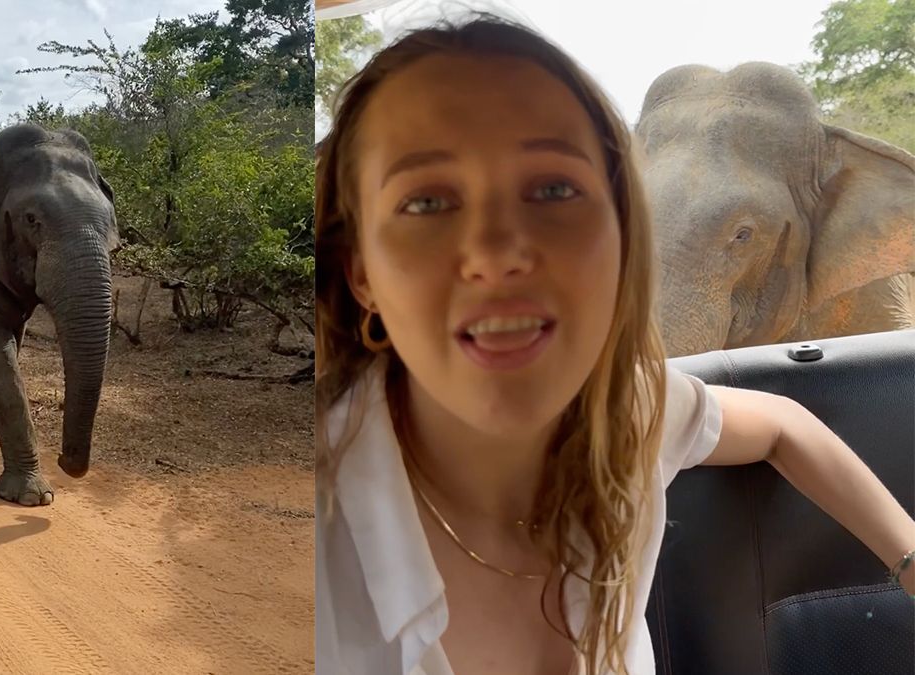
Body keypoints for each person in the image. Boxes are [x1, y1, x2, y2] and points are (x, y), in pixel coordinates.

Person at [313, 15, 915, 675]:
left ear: (623, 237)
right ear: (359, 269)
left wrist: (908, 557)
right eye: (426, 202)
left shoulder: (629, 406)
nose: (498, 254)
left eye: (555, 189)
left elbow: (780, 421)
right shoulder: (319, 522)